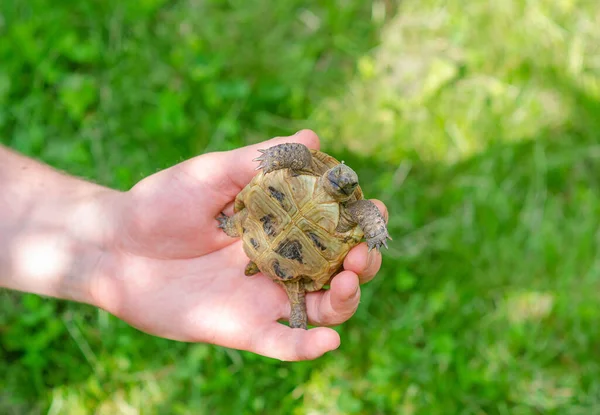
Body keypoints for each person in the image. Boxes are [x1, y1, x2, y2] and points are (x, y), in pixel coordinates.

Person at [0, 130, 387, 361]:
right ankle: (289, 289)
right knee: (298, 279)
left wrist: (114, 235)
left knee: (286, 260)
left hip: (252, 227)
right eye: (339, 175)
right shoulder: (309, 166)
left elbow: (365, 216)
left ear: (348, 192)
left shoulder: (347, 203)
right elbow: (295, 157)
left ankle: (255, 248)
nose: (339, 179)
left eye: (344, 183)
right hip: (271, 240)